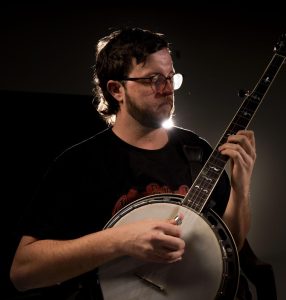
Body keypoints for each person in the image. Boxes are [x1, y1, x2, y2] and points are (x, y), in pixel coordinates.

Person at [10, 27, 256, 300]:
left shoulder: (196, 151)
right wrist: (120, 240)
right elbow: (23, 273)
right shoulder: (79, 164)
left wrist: (241, 186)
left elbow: (229, 246)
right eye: (153, 79)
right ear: (116, 89)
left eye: (170, 78)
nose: (166, 90)